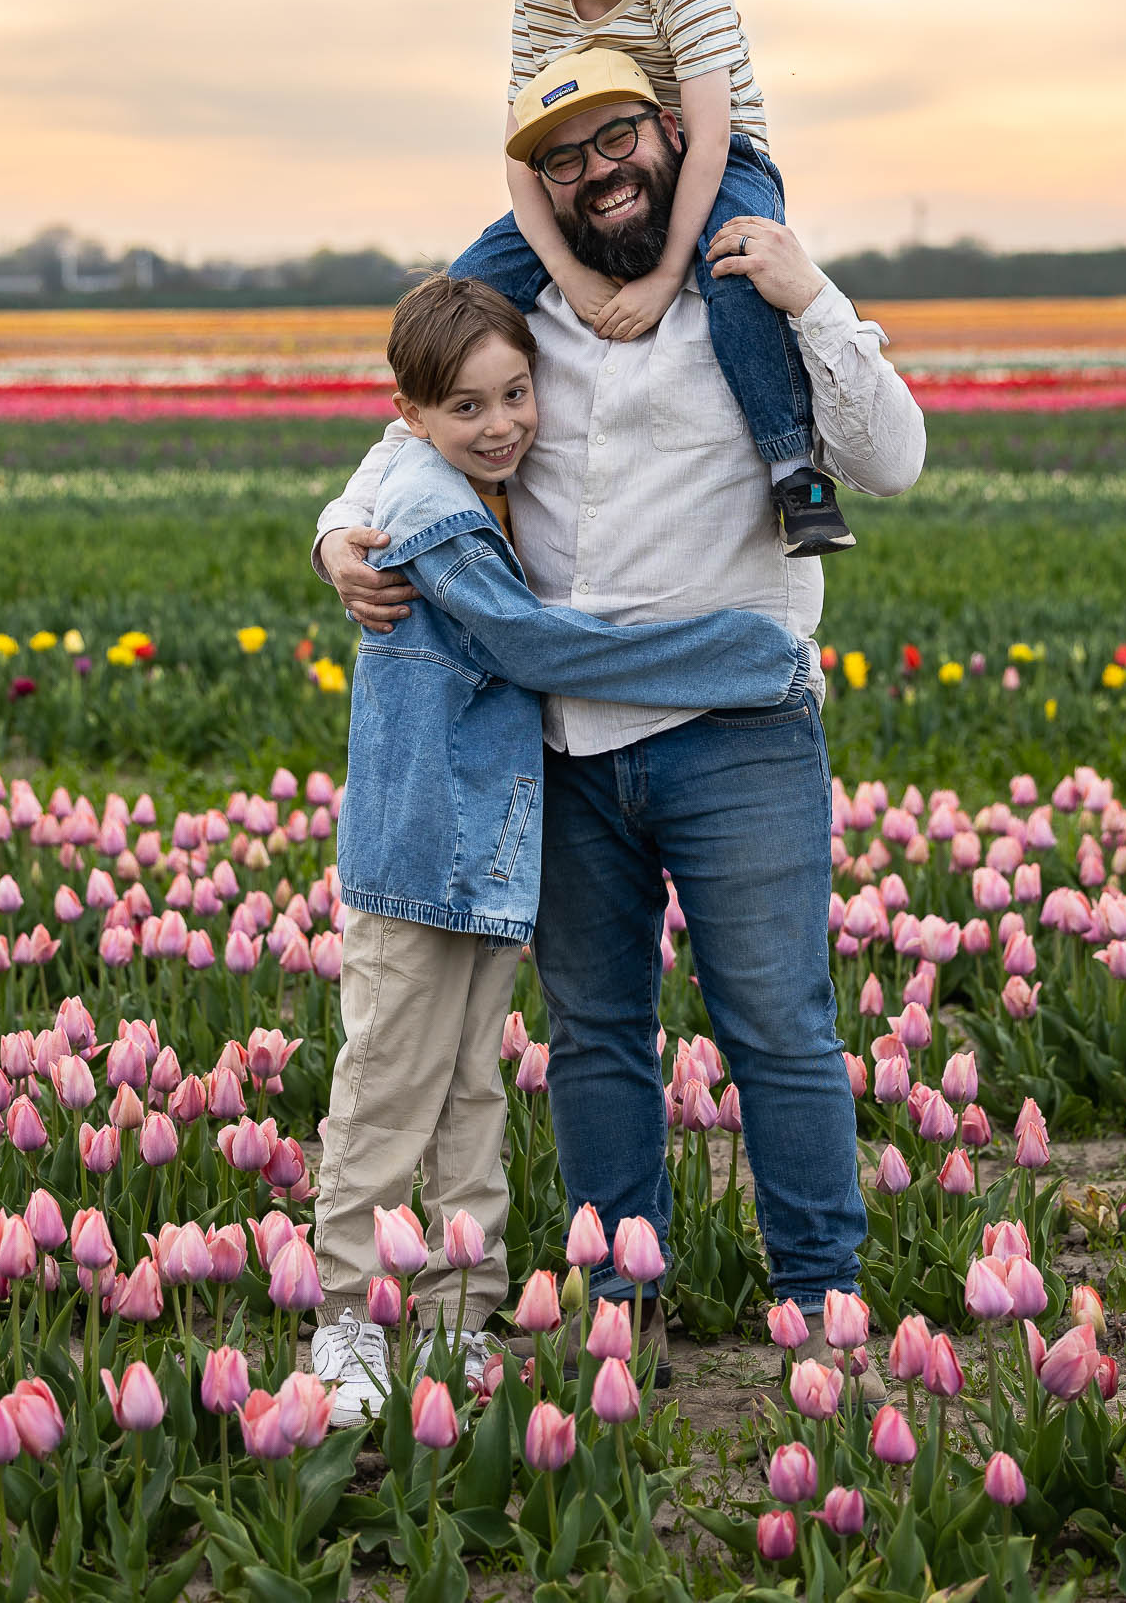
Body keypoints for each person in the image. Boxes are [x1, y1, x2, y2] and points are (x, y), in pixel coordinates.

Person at [314, 48, 925, 1386]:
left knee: (778, 1024)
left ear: (672, 137)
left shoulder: (755, 303)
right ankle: (619, 1308)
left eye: (620, 141)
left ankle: (825, 1313)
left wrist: (811, 292)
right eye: (568, 156)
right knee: (595, 1034)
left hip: (738, 743)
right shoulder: (525, 320)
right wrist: (335, 542)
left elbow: (894, 457)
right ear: (539, 186)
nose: (602, 172)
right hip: (564, 751)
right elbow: (405, 437)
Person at [310, 274, 817, 1424]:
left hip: (482, 852)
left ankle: (453, 1315)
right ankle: (346, 1319)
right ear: (410, 412)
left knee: (468, 1091)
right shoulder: (431, 508)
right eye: (469, 407)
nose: (503, 425)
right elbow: (536, 643)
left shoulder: (465, 484)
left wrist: (328, 532)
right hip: (418, 850)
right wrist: (749, 654)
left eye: (516, 393)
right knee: (390, 1088)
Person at [452, 0, 854, 557]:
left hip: (712, 157)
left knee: (735, 271)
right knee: (464, 291)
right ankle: (473, 477)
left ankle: (792, 470)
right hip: (585, 168)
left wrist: (666, 276)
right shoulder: (536, 1)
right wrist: (568, 274)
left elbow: (707, 137)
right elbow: (518, 156)